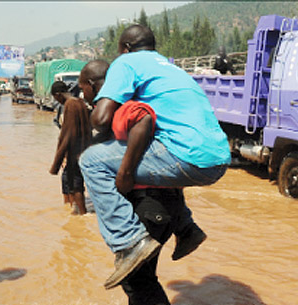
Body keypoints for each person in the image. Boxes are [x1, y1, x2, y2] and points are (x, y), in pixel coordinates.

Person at [78, 25, 231, 288]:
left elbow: (101, 119)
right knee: (159, 155)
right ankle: (186, 228)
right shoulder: (170, 68)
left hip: (184, 156)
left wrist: (102, 101)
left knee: (91, 161)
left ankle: (128, 241)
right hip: (217, 158)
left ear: (125, 48)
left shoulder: (126, 63)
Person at [78, 60, 207, 264]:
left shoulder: (121, 105)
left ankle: (129, 240)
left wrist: (125, 173)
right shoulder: (138, 97)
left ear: (92, 84)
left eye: (82, 87)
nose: (82, 93)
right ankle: (186, 226)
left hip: (147, 203)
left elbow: (142, 119)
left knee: (139, 285)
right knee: (143, 283)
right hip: (167, 198)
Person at [49, 81, 92, 215]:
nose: (57, 101)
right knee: (70, 181)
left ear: (58, 95)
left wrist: (59, 159)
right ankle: (73, 211)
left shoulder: (70, 105)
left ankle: (81, 214)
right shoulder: (79, 102)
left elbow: (68, 133)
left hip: (75, 151)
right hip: (84, 148)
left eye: (55, 98)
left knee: (75, 185)